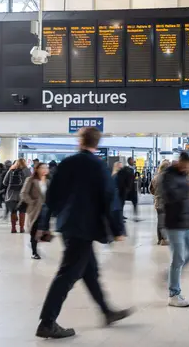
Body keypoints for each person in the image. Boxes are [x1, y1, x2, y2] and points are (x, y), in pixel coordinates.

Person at [35, 127, 131, 339]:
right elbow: (110, 200)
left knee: (89, 272)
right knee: (67, 274)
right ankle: (47, 322)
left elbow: (50, 197)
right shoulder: (98, 166)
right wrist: (117, 229)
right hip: (85, 228)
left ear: (80, 141)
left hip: (68, 225)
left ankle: (107, 312)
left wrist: (43, 225)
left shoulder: (67, 163)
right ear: (97, 143)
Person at [162, 152, 189, 307]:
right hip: (174, 224)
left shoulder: (183, 176)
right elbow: (171, 196)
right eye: (188, 166)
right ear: (181, 163)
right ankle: (174, 293)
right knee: (178, 258)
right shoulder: (168, 176)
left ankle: (170, 275)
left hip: (186, 222)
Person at [20, 162, 50, 259]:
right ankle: (34, 251)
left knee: (43, 229)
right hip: (35, 209)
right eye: (42, 168)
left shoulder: (48, 181)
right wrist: (32, 202)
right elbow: (24, 193)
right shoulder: (31, 180)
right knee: (34, 229)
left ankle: (36, 243)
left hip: (46, 209)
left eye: (46, 168)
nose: (44, 169)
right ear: (37, 169)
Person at [4, 158, 27, 233]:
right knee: (22, 212)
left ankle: (13, 228)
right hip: (23, 194)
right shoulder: (27, 171)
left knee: (13, 211)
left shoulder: (11, 171)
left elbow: (4, 182)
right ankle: (21, 228)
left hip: (11, 194)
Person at [150, 160, 170, 246]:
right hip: (167, 202)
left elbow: (151, 189)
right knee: (164, 221)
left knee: (160, 220)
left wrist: (156, 194)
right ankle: (164, 239)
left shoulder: (155, 177)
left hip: (158, 201)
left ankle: (160, 239)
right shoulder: (170, 178)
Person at [116, 157, 139, 222]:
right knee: (122, 203)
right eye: (132, 160)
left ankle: (135, 217)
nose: (133, 161)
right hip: (126, 189)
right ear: (129, 161)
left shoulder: (132, 169)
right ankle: (121, 216)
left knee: (135, 202)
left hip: (132, 190)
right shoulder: (125, 169)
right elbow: (123, 180)